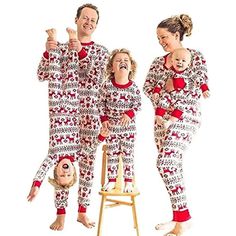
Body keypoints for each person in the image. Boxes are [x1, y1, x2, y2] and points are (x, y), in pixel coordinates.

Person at [31, 3, 109, 230]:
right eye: (85, 18)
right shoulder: (61, 48)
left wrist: (81, 52)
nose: (89, 23)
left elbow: (97, 78)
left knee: (87, 165)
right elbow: (42, 74)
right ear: (76, 19)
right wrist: (48, 51)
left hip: (90, 115)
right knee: (61, 163)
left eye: (93, 20)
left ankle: (82, 212)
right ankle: (61, 214)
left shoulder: (101, 51)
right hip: (65, 113)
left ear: (96, 25)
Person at [143, 14, 210, 236]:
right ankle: (178, 217)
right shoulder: (156, 62)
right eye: (158, 38)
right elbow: (147, 87)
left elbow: (199, 85)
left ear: (177, 34)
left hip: (185, 116)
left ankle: (183, 219)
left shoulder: (195, 57)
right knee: (170, 167)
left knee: (166, 161)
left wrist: (177, 84)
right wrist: (165, 91)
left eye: (164, 37)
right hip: (161, 120)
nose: (161, 42)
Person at [98, 48, 141, 193]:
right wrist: (103, 119)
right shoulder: (107, 85)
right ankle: (111, 180)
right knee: (112, 153)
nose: (122, 62)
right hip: (111, 128)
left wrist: (129, 114)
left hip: (128, 129)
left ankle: (128, 181)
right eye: (118, 60)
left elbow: (138, 105)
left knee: (128, 153)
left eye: (125, 61)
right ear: (111, 68)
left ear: (131, 67)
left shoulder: (133, 87)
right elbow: (100, 103)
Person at [155, 48, 209, 129]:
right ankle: (158, 118)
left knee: (181, 107)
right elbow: (161, 82)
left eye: (183, 61)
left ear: (188, 64)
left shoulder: (189, 72)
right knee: (162, 101)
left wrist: (205, 89)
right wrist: (156, 91)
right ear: (172, 61)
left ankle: (170, 122)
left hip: (182, 97)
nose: (180, 62)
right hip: (169, 95)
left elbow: (199, 80)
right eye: (177, 59)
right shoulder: (169, 72)